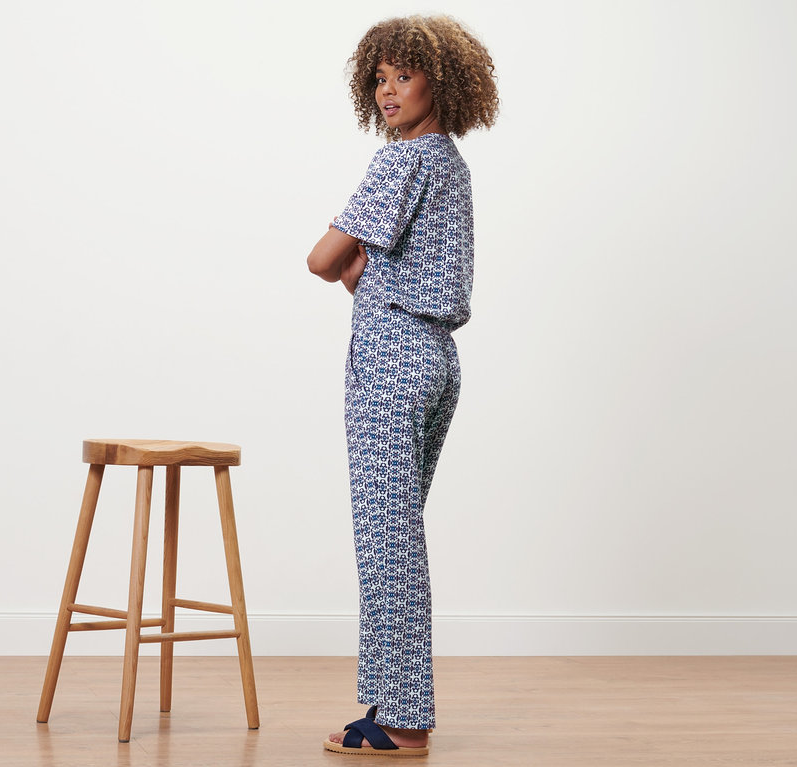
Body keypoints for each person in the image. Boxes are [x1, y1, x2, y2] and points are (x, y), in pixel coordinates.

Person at [307, 14, 499, 758]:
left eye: (403, 76)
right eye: (379, 79)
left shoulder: (401, 162)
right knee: (397, 535)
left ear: (438, 80)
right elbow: (369, 268)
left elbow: (323, 259)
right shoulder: (452, 163)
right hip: (436, 358)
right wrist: (369, 272)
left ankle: (406, 718)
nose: (388, 92)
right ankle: (391, 702)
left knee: (389, 542)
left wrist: (348, 250)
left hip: (391, 356)